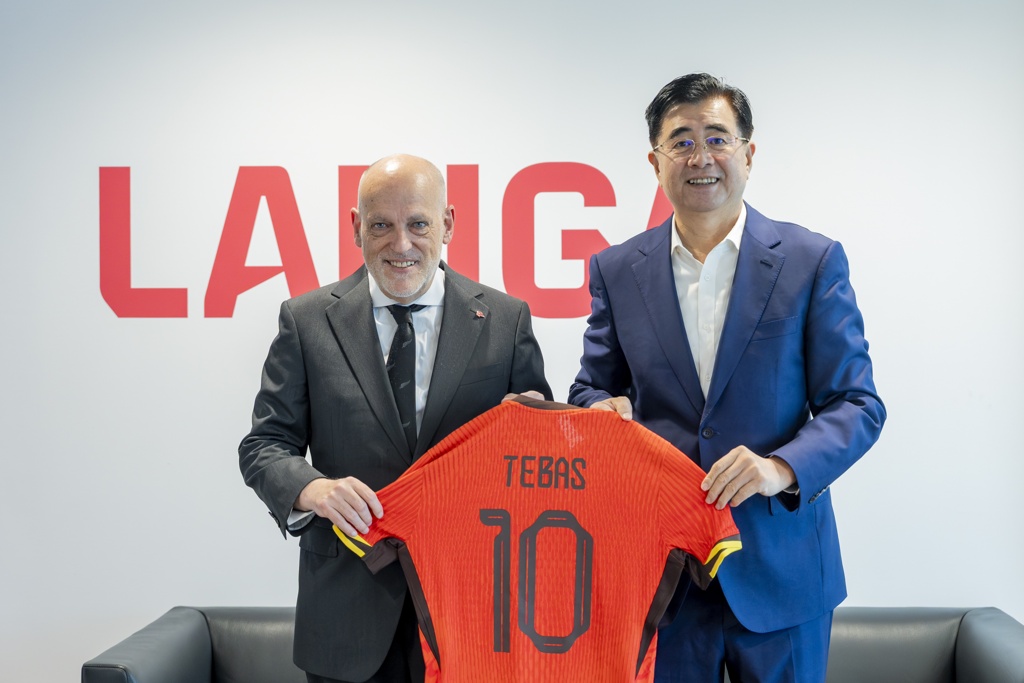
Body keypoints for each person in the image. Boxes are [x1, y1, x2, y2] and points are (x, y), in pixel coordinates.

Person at [568, 73, 886, 682]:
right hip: (664, 577)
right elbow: (591, 387)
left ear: (748, 153)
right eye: (681, 142)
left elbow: (857, 404)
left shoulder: (810, 261)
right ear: (655, 162)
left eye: (717, 137)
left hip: (782, 571)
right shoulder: (617, 269)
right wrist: (598, 410)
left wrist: (780, 468)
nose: (701, 157)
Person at [239, 153, 551, 683]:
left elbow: (537, 459)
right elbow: (264, 445)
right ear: (356, 227)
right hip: (346, 617)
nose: (400, 244)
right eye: (381, 225)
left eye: (418, 224)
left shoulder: (506, 319)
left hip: (472, 615)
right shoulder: (306, 321)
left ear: (447, 224)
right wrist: (313, 489)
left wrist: (539, 431)